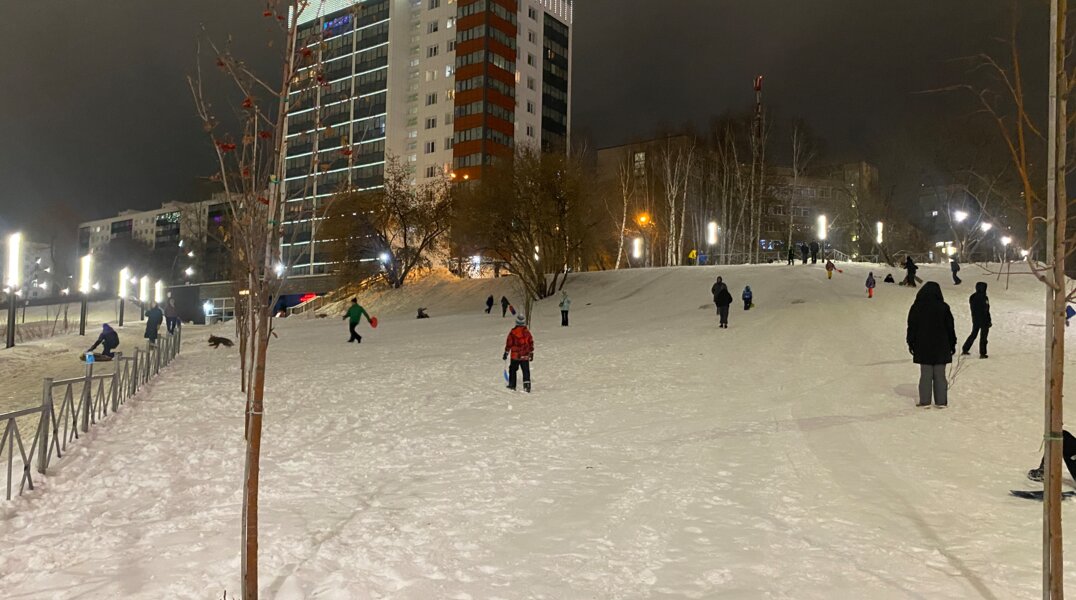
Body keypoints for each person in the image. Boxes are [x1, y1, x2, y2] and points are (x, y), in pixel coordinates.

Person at [907, 282, 957, 408]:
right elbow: (950, 327)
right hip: (942, 345)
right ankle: (941, 402)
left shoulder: (917, 307)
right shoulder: (944, 307)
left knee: (926, 374)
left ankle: (925, 401)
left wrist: (911, 342)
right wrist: (952, 343)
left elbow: (912, 326)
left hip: (923, 345)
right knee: (940, 375)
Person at [503, 312, 534, 392]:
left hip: (515, 356)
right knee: (526, 370)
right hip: (525, 355)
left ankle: (512, 385)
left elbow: (509, 343)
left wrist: (506, 352)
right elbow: (530, 342)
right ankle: (527, 386)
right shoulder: (527, 332)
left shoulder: (513, 332)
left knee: (513, 369)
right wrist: (531, 352)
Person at [961, 281, 991, 358]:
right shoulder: (984, 297)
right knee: (983, 337)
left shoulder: (972, 297)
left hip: (975, 319)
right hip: (984, 319)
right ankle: (983, 353)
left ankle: (965, 348)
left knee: (973, 334)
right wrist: (989, 320)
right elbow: (986, 310)